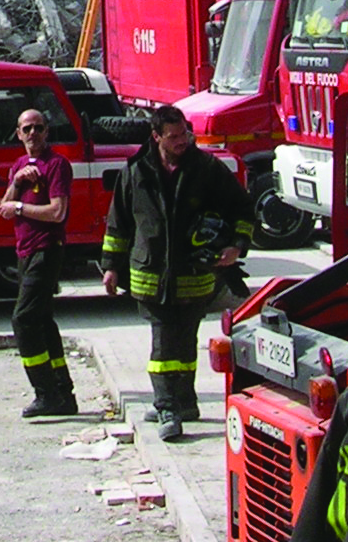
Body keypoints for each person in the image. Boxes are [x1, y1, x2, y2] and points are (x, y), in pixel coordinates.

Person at [100, 103, 254, 440]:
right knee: (164, 345)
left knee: (185, 343)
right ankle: (167, 407)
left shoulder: (207, 169)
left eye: (184, 133)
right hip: (151, 277)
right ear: (156, 137)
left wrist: (236, 245)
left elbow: (242, 207)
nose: (182, 140)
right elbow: (119, 224)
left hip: (194, 277)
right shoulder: (136, 172)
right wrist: (111, 267)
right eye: (174, 136)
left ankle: (185, 401)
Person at [0, 106, 77, 418]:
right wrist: (16, 182)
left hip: (46, 250)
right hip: (25, 252)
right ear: (18, 134)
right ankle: (64, 395)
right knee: (42, 321)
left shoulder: (57, 166)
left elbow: (57, 212)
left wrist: (19, 207)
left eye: (38, 128)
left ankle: (46, 394)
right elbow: (3, 206)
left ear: (47, 132)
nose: (32, 134)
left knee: (24, 320)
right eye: (26, 128)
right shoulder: (19, 165)